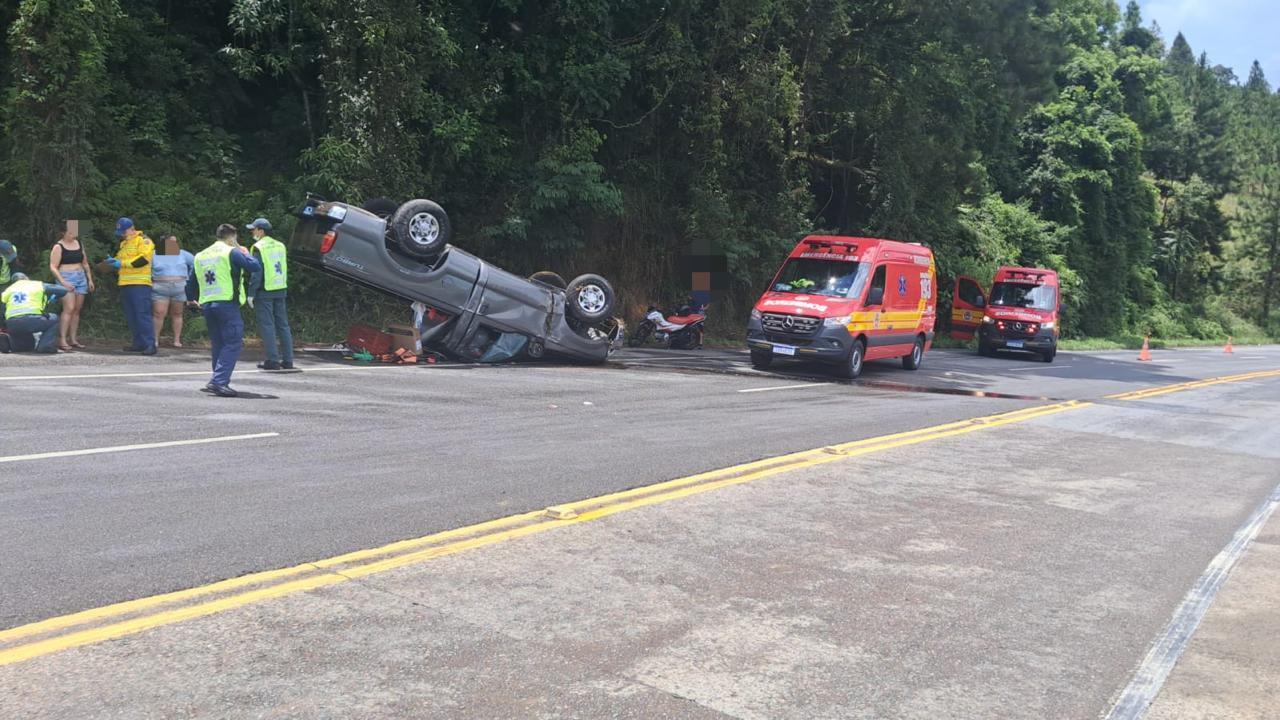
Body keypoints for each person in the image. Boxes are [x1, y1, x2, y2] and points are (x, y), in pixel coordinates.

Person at [188, 223, 261, 397]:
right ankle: (219, 381)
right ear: (232, 237)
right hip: (226, 303)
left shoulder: (200, 255)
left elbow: (191, 283)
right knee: (233, 342)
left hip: (207, 304)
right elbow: (255, 266)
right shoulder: (231, 252)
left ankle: (216, 378)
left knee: (219, 343)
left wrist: (190, 300)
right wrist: (244, 252)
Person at [245, 217, 297, 370]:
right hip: (280, 288)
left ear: (261, 231)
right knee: (283, 326)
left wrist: (251, 293)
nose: (252, 232)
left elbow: (257, 272)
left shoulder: (259, 247)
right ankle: (288, 360)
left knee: (268, 325)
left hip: (265, 290)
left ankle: (273, 360)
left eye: (254, 229)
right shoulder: (280, 245)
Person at [107, 217, 157, 354]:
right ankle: (139, 343)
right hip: (125, 283)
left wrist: (121, 264)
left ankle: (150, 344)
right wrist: (112, 262)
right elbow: (121, 260)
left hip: (140, 284)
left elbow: (143, 260)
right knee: (131, 316)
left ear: (131, 228)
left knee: (142, 315)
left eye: (123, 231)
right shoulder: (124, 244)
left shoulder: (144, 241)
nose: (122, 234)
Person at [48, 223, 95, 351]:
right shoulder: (58, 246)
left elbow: (85, 263)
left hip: (80, 276)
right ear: (63, 232)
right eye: (70, 232)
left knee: (77, 310)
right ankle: (62, 339)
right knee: (69, 308)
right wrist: (63, 282)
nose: (73, 234)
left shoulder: (79, 243)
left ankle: (73, 339)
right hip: (66, 276)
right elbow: (53, 266)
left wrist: (89, 279)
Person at [1, 273, 68, 354]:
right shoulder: (37, 285)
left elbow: (3, 308)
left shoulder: (8, 290)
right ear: (27, 278)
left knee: (27, 347)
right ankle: (45, 346)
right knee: (54, 318)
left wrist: (4, 325)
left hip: (12, 324)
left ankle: (9, 344)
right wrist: (54, 297)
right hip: (32, 320)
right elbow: (63, 290)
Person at [151, 234, 195, 348]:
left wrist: (189, 278)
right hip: (160, 286)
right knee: (159, 313)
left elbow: (196, 263)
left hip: (179, 287)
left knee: (177, 313)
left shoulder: (183, 254)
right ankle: (154, 339)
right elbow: (145, 269)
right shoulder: (153, 254)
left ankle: (177, 340)